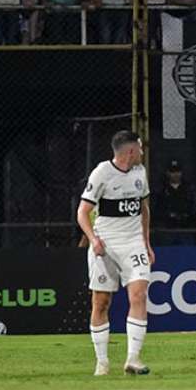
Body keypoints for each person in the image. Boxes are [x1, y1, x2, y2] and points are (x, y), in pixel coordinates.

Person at [77, 131, 154, 376]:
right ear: (130, 151)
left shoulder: (140, 173)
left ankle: (133, 358)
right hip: (106, 244)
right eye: (139, 149)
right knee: (101, 303)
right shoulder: (102, 173)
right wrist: (93, 239)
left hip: (133, 244)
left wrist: (147, 243)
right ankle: (102, 362)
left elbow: (143, 210)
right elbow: (82, 212)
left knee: (139, 295)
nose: (142, 153)